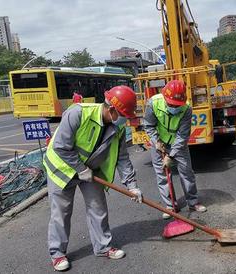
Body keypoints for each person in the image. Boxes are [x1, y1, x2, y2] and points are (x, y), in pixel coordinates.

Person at [44, 85, 142, 271]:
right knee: (61, 212)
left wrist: (132, 185)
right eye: (122, 115)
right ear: (111, 109)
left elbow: (122, 158)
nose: (124, 120)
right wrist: (80, 169)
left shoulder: (117, 128)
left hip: (91, 170)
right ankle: (57, 254)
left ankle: (103, 247)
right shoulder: (78, 113)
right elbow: (60, 146)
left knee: (98, 207)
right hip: (61, 167)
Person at [143, 79, 206, 219]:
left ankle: (193, 202)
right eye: (171, 104)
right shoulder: (153, 103)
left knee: (186, 171)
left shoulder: (186, 109)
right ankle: (170, 205)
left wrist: (171, 156)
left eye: (177, 105)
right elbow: (149, 126)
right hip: (159, 142)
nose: (174, 107)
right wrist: (156, 142)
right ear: (165, 97)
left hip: (178, 144)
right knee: (162, 174)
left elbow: (183, 135)